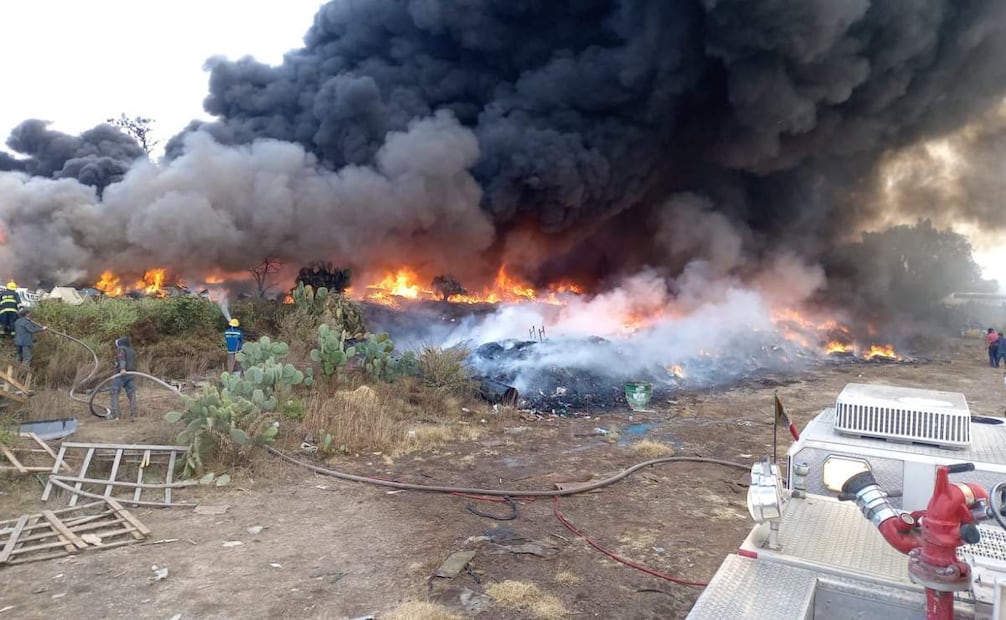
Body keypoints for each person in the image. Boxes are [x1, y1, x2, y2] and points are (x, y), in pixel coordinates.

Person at [109, 336, 138, 420]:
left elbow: (121, 358)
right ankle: (134, 413)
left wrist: (122, 368)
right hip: (131, 374)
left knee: (114, 392)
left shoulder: (121, 349)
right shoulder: (132, 351)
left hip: (121, 375)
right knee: (131, 393)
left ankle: (115, 415)